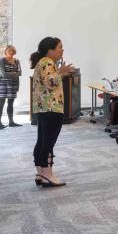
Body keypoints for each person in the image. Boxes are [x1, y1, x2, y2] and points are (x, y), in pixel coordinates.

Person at [30, 37, 75, 187]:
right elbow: (50, 82)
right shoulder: (47, 62)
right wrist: (61, 72)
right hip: (51, 108)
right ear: (50, 50)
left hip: (44, 107)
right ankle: (47, 174)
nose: (62, 50)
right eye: (60, 47)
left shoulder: (42, 62)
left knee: (43, 140)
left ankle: (40, 173)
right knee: (48, 142)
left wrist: (60, 72)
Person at [0, 44, 22, 129]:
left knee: (11, 104)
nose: (11, 52)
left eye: (13, 51)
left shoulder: (17, 61)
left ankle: (11, 122)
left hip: (13, 85)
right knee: (1, 104)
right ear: (5, 51)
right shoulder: (1, 61)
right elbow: (4, 74)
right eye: (9, 50)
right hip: (3, 85)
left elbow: (20, 73)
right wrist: (15, 74)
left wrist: (17, 84)